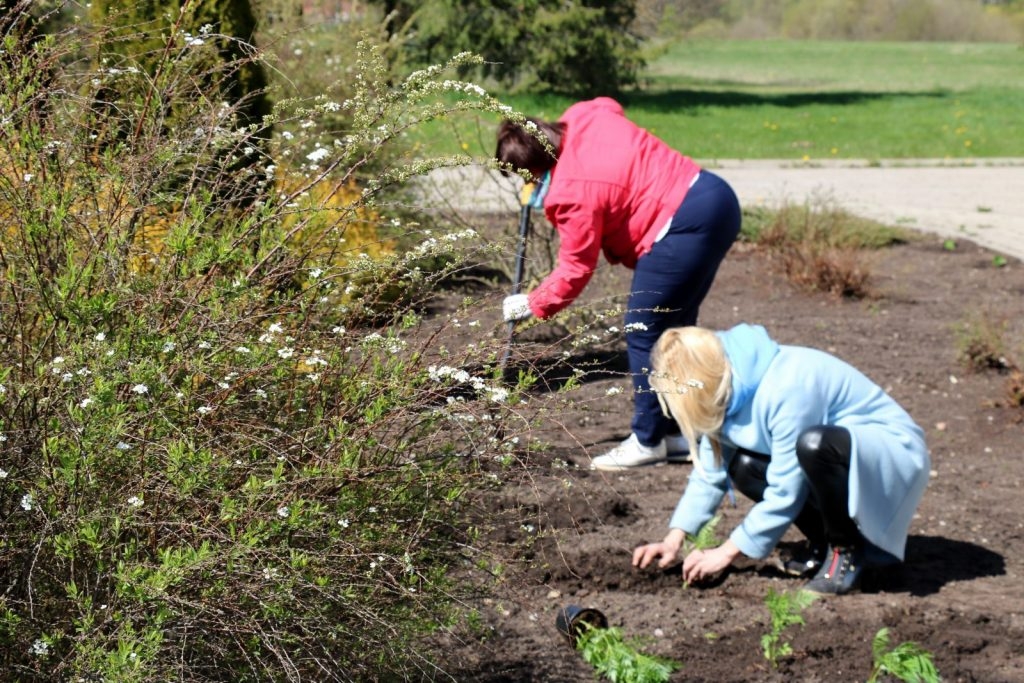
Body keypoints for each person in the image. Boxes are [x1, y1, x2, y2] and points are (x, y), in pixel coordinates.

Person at [495, 97, 741, 470]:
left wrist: (532, 302)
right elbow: (609, 104)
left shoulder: (570, 194)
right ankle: (678, 432)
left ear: (535, 171)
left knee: (643, 331)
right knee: (671, 330)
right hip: (714, 196)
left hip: (679, 225)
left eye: (525, 177)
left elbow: (575, 270)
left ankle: (648, 440)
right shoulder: (583, 116)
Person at [631, 323, 931, 595]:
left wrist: (725, 553)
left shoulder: (787, 388)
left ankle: (847, 552)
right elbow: (711, 472)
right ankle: (824, 543)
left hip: (890, 456)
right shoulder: (725, 383)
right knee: (744, 468)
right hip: (843, 459)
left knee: (815, 446)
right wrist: (674, 540)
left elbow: (785, 490)